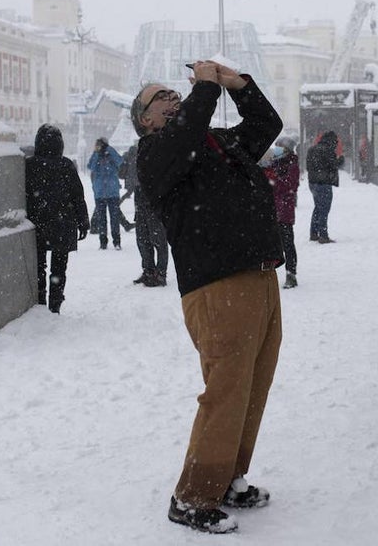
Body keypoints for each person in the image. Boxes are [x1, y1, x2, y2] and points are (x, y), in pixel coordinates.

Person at [133, 61, 284, 535]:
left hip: (257, 275)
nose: (172, 99)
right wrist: (202, 88)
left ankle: (230, 476)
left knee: (252, 388)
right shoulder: (156, 152)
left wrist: (237, 85)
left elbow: (266, 125)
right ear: (146, 120)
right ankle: (194, 495)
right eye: (161, 98)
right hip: (216, 286)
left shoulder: (218, 142)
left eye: (174, 92)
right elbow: (185, 131)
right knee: (225, 391)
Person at [24, 124, 90, 314]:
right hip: (63, 224)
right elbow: (78, 195)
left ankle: (40, 302)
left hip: (38, 223)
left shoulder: (30, 165)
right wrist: (83, 221)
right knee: (59, 269)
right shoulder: (66, 165)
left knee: (39, 267)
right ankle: (55, 303)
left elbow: (23, 195)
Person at [121, 143, 168, 287]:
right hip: (141, 203)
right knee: (143, 240)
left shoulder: (158, 162)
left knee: (159, 241)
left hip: (154, 205)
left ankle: (160, 273)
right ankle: (148, 270)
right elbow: (123, 174)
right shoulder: (137, 162)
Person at [264, 138, 300, 289]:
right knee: (270, 244)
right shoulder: (274, 162)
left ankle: (291, 274)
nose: (277, 149)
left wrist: (272, 179)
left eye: (280, 147)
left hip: (284, 211)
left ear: (287, 149)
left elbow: (289, 185)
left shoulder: (292, 165)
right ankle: (267, 274)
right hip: (271, 210)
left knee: (287, 244)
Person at [87, 138, 124, 250]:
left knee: (114, 218)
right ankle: (103, 242)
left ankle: (116, 241)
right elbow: (91, 167)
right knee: (101, 219)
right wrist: (96, 153)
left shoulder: (111, 153)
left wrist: (109, 150)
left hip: (112, 191)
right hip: (100, 192)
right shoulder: (96, 155)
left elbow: (120, 161)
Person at [306, 130, 342, 243]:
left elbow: (308, 166)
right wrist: (340, 160)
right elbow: (333, 165)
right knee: (324, 209)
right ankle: (323, 235)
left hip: (312, 183)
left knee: (318, 207)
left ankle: (313, 233)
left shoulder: (312, 149)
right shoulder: (328, 150)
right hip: (324, 183)